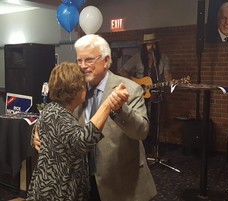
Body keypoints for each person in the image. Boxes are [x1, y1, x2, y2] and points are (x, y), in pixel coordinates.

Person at [34, 34, 157, 201]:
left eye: (89, 60)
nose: (83, 66)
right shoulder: (75, 88)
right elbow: (56, 117)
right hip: (83, 185)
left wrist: (120, 109)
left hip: (122, 186)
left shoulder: (130, 89)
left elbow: (141, 132)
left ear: (106, 60)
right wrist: (37, 133)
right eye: (79, 60)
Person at [27, 62, 129, 200]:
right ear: (76, 89)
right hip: (58, 193)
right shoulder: (58, 114)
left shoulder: (52, 109)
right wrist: (108, 102)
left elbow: (44, 130)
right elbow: (83, 141)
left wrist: (35, 134)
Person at [119, 33, 172, 155]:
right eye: (148, 44)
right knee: (141, 119)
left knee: (156, 120)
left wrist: (171, 80)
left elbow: (167, 74)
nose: (151, 46)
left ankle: (155, 148)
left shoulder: (163, 58)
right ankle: (142, 147)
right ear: (144, 46)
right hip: (140, 94)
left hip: (157, 93)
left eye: (153, 43)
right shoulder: (138, 57)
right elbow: (123, 70)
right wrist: (133, 84)